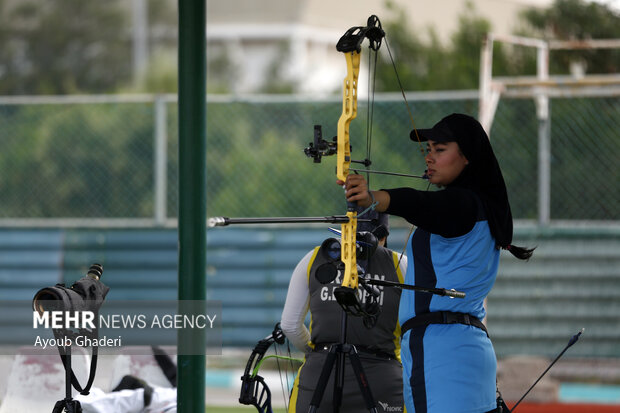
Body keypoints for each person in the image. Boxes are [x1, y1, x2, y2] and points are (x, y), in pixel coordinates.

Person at [339, 113, 534, 413]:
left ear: (468, 156)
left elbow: (422, 204)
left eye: (439, 150)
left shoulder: (465, 206)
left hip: (443, 352)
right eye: (428, 150)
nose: (429, 157)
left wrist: (374, 197)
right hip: (460, 348)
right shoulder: (476, 209)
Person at [281, 207, 408, 413]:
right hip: (381, 377)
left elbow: (290, 325)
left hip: (320, 377)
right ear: (383, 236)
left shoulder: (313, 258)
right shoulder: (401, 264)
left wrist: (316, 351)